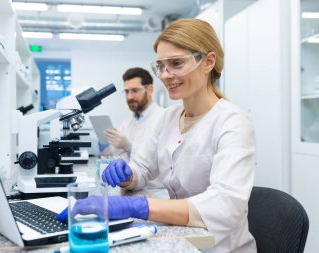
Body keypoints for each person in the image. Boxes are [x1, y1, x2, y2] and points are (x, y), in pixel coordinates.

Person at [58, 18, 256, 253]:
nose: (165, 75)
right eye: (161, 66)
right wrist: (126, 174)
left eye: (176, 63)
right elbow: (143, 169)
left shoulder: (232, 122)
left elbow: (225, 205)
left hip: (219, 246)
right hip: (179, 237)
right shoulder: (170, 118)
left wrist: (138, 206)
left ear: (208, 62)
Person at [100, 67, 165, 161]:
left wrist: (129, 147)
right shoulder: (128, 121)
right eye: (126, 91)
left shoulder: (163, 118)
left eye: (135, 90)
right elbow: (112, 152)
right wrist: (105, 142)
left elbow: (159, 159)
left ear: (150, 90)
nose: (129, 97)